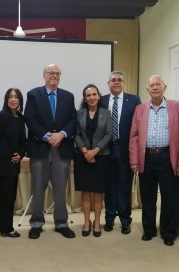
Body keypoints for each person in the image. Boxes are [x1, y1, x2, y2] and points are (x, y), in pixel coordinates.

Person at [129, 75, 179, 246]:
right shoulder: (140, 109)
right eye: (151, 85)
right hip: (146, 157)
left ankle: (168, 232)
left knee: (170, 196)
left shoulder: (177, 107)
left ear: (165, 87)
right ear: (147, 89)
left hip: (168, 157)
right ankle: (149, 229)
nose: (155, 87)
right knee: (148, 197)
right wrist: (134, 159)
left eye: (158, 84)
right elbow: (133, 137)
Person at [24, 64, 77, 239]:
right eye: (50, 73)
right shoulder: (33, 94)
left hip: (62, 149)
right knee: (38, 188)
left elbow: (73, 120)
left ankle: (61, 223)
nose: (54, 76)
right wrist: (48, 136)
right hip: (40, 148)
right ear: (44, 75)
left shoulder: (68, 96)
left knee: (61, 188)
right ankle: (37, 223)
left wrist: (61, 135)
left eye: (57, 73)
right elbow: (30, 120)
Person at [102, 71, 141, 234]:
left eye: (119, 80)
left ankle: (125, 220)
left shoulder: (134, 100)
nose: (116, 82)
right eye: (113, 80)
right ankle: (109, 218)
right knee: (109, 186)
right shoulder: (101, 100)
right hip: (105, 150)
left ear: (123, 82)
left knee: (124, 186)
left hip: (125, 150)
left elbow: (139, 125)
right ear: (108, 83)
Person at [0, 88, 27, 238]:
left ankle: (3, 226)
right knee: (6, 197)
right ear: (6, 99)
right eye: (10, 97)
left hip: (15, 163)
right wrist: (1, 157)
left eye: (16, 97)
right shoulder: (2, 116)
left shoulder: (21, 118)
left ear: (20, 100)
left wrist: (21, 155)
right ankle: (6, 228)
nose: (13, 99)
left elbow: (23, 141)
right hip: (3, 164)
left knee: (10, 197)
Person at [74, 84, 112, 237]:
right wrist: (85, 152)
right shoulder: (79, 113)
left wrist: (94, 151)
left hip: (101, 157)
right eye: (88, 95)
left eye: (94, 94)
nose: (91, 97)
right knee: (85, 190)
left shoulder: (106, 113)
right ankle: (86, 221)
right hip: (82, 156)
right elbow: (75, 134)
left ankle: (97, 221)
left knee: (97, 191)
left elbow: (108, 134)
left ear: (99, 96)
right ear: (84, 98)